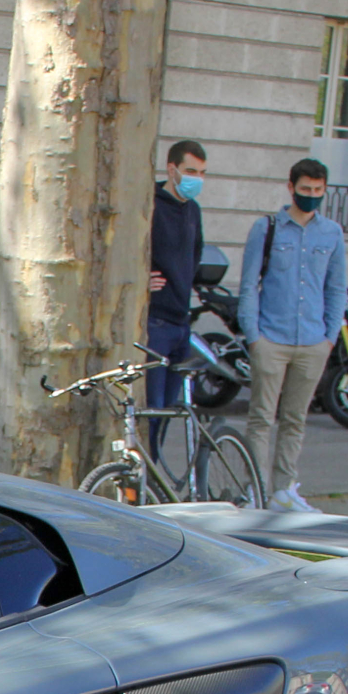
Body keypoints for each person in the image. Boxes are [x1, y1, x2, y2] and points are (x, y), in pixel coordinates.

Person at [238, 157, 346, 511]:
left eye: (318, 191)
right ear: (291, 188)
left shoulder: (332, 233)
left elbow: (335, 288)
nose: (312, 196)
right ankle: (255, 488)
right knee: (261, 418)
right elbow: (249, 285)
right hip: (271, 337)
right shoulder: (267, 228)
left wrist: (329, 337)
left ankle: (284, 490)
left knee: (295, 419)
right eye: (305, 190)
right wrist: (254, 335)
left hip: (313, 340)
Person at [145, 138, 207, 467]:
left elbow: (195, 257)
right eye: (191, 171)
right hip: (155, 322)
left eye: (202, 172)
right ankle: (141, 481)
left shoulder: (192, 210)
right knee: (150, 410)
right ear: (172, 169)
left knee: (168, 410)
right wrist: (142, 280)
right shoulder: (152, 204)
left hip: (181, 322)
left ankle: (153, 472)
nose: (198, 178)